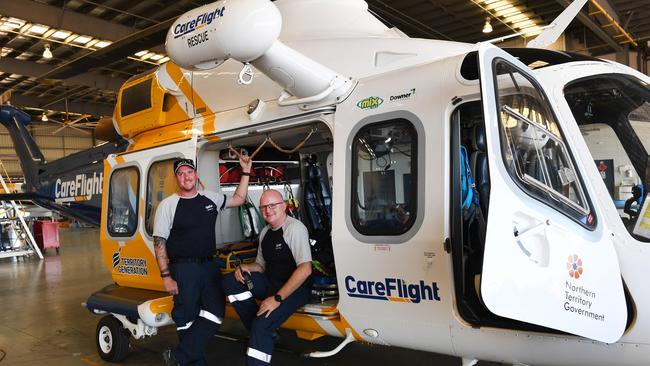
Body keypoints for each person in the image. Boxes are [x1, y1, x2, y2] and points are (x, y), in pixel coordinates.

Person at [154, 156, 252, 366]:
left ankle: (178, 357)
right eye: (181, 174)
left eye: (189, 172)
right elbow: (159, 243)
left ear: (196, 175)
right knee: (186, 317)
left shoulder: (210, 198)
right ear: (176, 178)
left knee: (216, 311)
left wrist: (245, 172)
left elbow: (239, 199)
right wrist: (166, 276)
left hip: (209, 266)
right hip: (183, 268)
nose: (186, 177)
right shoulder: (168, 205)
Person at [223, 189, 312, 365]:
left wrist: (277, 299)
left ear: (284, 206)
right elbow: (261, 266)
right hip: (270, 283)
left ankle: (262, 330)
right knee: (229, 281)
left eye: (273, 205)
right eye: (263, 207)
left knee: (260, 326)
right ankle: (263, 329)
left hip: (294, 289)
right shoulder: (265, 232)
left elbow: (305, 269)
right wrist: (245, 267)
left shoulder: (294, 229)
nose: (268, 210)